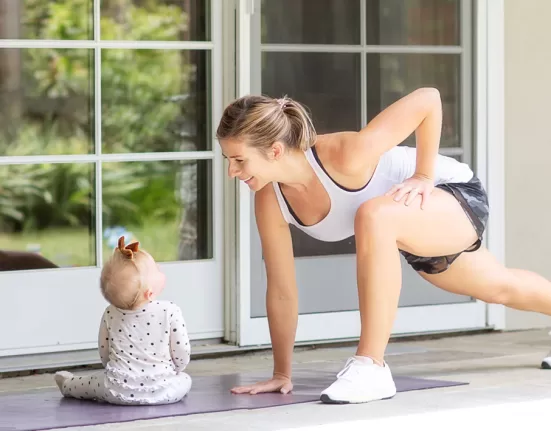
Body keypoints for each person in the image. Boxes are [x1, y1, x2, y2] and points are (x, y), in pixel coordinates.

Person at [216, 88, 551, 404]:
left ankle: (371, 365)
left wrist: (422, 174)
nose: (231, 171)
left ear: (274, 150)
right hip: (407, 224)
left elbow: (428, 99)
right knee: (501, 288)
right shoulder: (269, 200)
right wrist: (281, 372)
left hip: (453, 193)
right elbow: (281, 290)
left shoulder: (345, 155)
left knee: (373, 214)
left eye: (239, 160)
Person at [54, 237, 192, 405]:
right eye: (156, 269)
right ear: (149, 293)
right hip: (163, 391)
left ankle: (68, 384)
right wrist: (176, 371)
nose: (160, 268)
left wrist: (115, 373)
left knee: (90, 383)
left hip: (116, 391)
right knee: (185, 379)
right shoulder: (170, 310)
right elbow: (182, 352)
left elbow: (104, 353)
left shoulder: (110, 312)